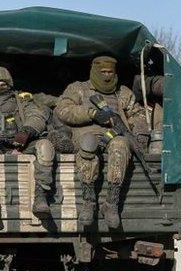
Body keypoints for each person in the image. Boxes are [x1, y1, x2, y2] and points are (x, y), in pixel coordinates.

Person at [55, 56, 148, 229]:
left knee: (120, 145)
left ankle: (111, 203)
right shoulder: (78, 89)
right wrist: (91, 113)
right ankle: (89, 202)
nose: (107, 76)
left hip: (114, 134)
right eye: (103, 72)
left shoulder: (123, 93)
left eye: (110, 72)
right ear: (94, 71)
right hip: (85, 135)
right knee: (88, 144)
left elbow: (137, 114)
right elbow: (63, 110)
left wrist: (141, 134)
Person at [0, 66, 55, 218]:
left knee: (45, 146)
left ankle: (41, 197)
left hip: (22, 144)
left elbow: (37, 116)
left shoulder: (23, 102)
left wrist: (26, 131)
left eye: (2, 84)